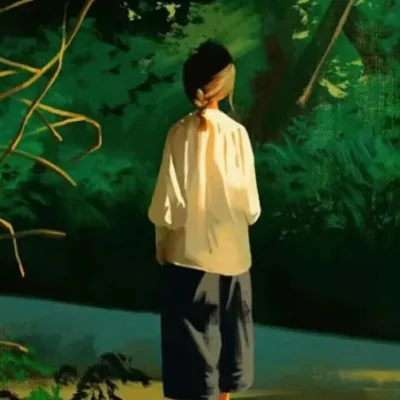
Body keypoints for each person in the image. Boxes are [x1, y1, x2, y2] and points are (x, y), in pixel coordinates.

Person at [148, 40, 261, 400]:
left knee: (193, 376)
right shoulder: (238, 135)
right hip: (233, 262)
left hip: (187, 260)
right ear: (226, 85)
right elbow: (251, 209)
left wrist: (162, 248)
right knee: (227, 370)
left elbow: (165, 205)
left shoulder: (178, 133)